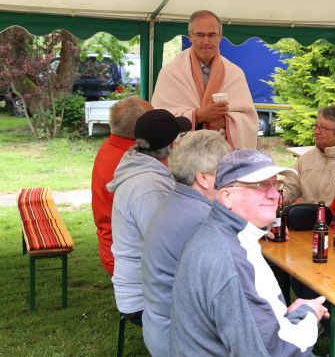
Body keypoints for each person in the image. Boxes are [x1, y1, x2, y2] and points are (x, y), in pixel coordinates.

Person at [170, 150, 329, 356]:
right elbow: (271, 352)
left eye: (275, 184)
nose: (274, 194)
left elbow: (250, 324)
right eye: (259, 185)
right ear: (227, 196)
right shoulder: (230, 258)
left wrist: (289, 314)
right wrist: (308, 315)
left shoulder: (220, 234)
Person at [142, 130, 231, 357]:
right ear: (203, 178)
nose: (231, 181)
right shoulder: (201, 218)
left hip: (159, 325)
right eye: (225, 174)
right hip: (181, 338)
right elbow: (228, 295)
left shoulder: (176, 201)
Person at [108, 109, 191, 324]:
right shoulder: (149, 188)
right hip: (144, 300)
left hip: (150, 288)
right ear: (172, 147)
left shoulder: (144, 171)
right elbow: (169, 247)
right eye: (180, 138)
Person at [151, 10, 258, 149]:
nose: (206, 41)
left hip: (223, 157)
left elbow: (249, 120)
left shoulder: (235, 73)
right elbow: (159, 120)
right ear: (190, 37)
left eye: (212, 35)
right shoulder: (171, 72)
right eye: (200, 35)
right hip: (183, 160)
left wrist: (226, 122)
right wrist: (199, 115)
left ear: (220, 37)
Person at [91, 96, 152, 276]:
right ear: (140, 128)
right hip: (127, 255)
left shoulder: (111, 147)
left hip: (114, 248)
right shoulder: (129, 163)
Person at [283, 105, 335, 205]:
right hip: (307, 218)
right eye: (316, 126)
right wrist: (273, 197)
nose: (316, 132)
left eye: (323, 128)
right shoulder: (306, 158)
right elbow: (289, 189)